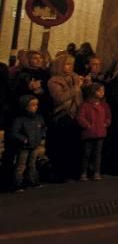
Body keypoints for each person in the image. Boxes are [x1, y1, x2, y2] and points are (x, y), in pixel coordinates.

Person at [47, 53, 85, 181]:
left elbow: (80, 96)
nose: (70, 67)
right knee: (62, 146)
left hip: (76, 114)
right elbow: (59, 98)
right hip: (62, 115)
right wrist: (76, 88)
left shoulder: (75, 77)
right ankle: (60, 173)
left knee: (75, 146)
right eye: (67, 64)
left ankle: (73, 171)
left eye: (71, 64)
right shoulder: (54, 81)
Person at [10, 95, 46, 192]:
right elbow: (14, 132)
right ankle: (18, 183)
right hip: (24, 146)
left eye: (36, 104)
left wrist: (41, 135)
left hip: (34, 144)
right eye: (32, 105)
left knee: (32, 163)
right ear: (25, 106)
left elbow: (42, 127)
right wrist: (23, 139)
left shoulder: (38, 118)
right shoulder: (20, 120)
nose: (35, 107)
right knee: (21, 165)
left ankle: (33, 181)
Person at [76, 83, 111, 181]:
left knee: (97, 154)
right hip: (89, 133)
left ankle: (96, 172)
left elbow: (108, 116)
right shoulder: (85, 105)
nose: (102, 93)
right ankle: (83, 173)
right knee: (86, 154)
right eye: (99, 91)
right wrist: (87, 125)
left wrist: (106, 123)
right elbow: (80, 117)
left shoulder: (104, 105)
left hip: (100, 132)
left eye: (103, 91)